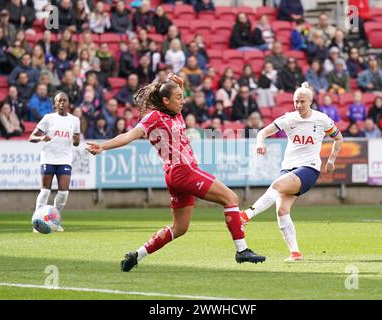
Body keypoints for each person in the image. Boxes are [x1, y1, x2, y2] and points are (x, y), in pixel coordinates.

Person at [86, 74, 266, 272]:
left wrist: (180, 85)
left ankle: (137, 254)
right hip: (183, 170)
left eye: (182, 96)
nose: (183, 101)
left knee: (179, 228)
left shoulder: (175, 112)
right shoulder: (154, 117)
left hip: (175, 175)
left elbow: (177, 97)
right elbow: (129, 135)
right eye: (179, 97)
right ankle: (242, 250)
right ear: (165, 101)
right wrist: (103, 147)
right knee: (231, 198)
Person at [240, 82, 343, 262]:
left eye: (302, 101)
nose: (298, 105)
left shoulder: (322, 119)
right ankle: (295, 253)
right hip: (288, 168)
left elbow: (339, 138)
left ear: (310, 101)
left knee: (277, 185)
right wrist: (260, 143)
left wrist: (331, 160)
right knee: (281, 210)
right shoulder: (289, 118)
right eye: (296, 101)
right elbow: (262, 133)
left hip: (309, 169)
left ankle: (246, 215)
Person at [29, 91, 80, 232]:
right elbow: (31, 137)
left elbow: (76, 142)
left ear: (68, 103)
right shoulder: (48, 118)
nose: (62, 103)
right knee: (45, 191)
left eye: (65, 100)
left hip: (65, 159)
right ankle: (37, 221)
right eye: (60, 101)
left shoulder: (75, 120)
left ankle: (53, 219)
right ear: (55, 104)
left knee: (64, 193)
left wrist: (76, 139)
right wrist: (41, 138)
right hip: (48, 158)